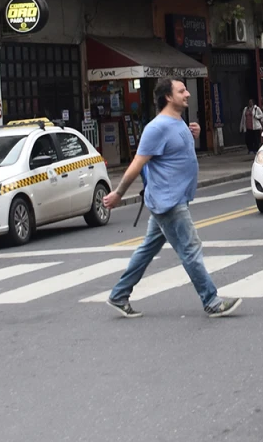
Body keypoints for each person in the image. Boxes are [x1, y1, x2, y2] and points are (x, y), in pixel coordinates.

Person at [103, 78, 242, 318]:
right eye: (182, 90)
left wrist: (193, 135)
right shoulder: (156, 128)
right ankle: (211, 300)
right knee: (190, 249)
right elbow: (137, 164)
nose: (188, 94)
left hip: (173, 197)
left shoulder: (178, 122)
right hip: (168, 201)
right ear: (168, 97)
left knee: (147, 249)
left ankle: (118, 295)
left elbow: (175, 153)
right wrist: (118, 193)